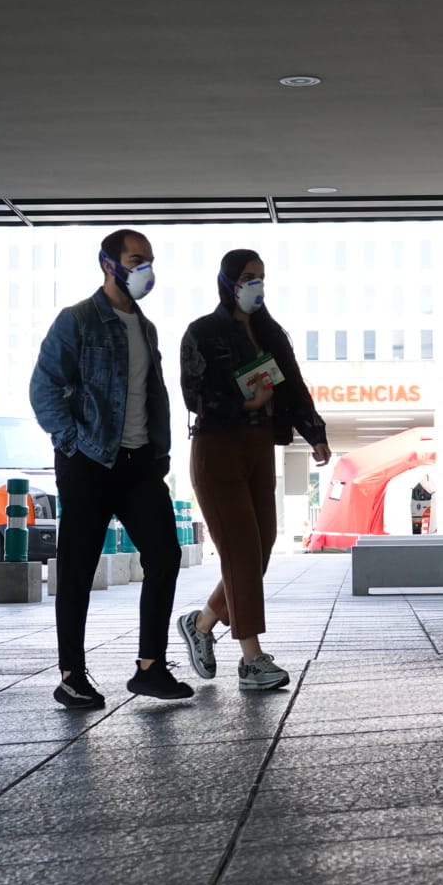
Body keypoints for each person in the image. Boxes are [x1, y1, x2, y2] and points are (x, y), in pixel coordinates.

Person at [31, 229, 193, 708]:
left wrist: (159, 453)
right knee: (78, 568)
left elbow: (154, 395)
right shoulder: (77, 321)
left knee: (164, 556)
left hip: (140, 464)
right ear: (109, 264)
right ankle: (71, 675)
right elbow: (44, 390)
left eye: (150, 260)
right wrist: (73, 443)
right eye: (137, 259)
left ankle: (150, 667)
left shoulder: (145, 327)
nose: (146, 269)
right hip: (90, 463)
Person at [176, 249, 331, 691]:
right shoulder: (202, 332)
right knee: (241, 551)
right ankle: (252, 658)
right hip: (217, 448)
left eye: (261, 278)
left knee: (259, 550)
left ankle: (202, 624)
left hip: (260, 448)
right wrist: (246, 403)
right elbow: (194, 395)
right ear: (226, 281)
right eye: (247, 278)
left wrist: (314, 431)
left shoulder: (270, 333)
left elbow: (293, 386)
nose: (255, 286)